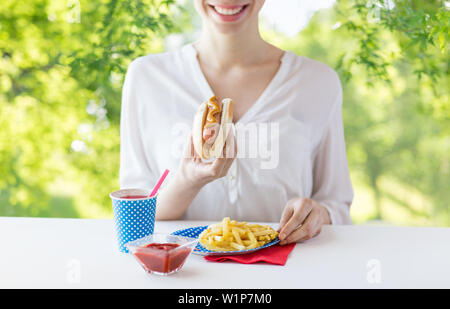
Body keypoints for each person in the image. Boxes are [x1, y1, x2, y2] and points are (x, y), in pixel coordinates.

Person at [120, 0, 354, 245]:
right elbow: (134, 217)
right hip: (183, 277)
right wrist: (188, 181)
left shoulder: (317, 82)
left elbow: (336, 205)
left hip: (287, 275)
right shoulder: (146, 78)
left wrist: (317, 214)